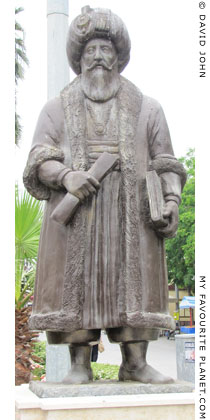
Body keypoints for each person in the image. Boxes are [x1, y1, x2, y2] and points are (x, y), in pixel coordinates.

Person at [23, 6, 186, 384]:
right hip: (77, 214)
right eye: (90, 49)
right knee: (74, 288)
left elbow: (167, 163)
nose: (98, 56)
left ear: (119, 56)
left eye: (105, 48)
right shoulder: (55, 110)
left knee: (135, 287)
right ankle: (80, 365)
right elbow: (37, 159)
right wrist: (66, 176)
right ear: (78, 59)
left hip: (133, 216)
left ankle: (135, 361)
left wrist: (172, 200)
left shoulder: (148, 109)